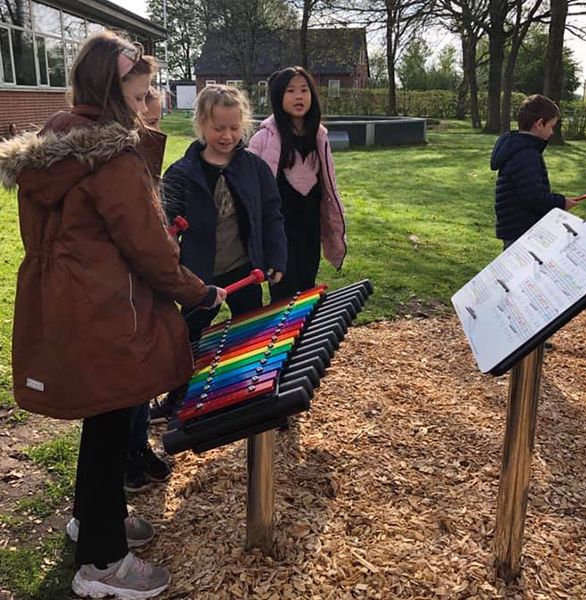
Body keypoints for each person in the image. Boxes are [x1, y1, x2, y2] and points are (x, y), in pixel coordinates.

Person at [0, 31, 226, 599]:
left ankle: (91, 516)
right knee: (109, 420)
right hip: (108, 307)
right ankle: (103, 563)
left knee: (101, 419)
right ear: (113, 86)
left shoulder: (59, 136)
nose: (147, 98)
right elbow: (148, 246)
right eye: (140, 88)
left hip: (66, 300)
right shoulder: (110, 154)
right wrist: (198, 292)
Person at [149, 84, 287, 423]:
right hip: (199, 275)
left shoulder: (254, 168)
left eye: (234, 127)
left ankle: (258, 392)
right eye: (218, 128)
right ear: (200, 125)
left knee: (253, 334)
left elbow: (271, 214)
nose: (227, 135)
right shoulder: (182, 173)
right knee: (190, 336)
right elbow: (165, 225)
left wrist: (276, 258)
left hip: (244, 269)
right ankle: (180, 393)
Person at [248, 66, 347, 302]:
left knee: (306, 291)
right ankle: (281, 338)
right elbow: (250, 187)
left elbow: (329, 185)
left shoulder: (319, 138)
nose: (299, 96)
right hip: (278, 232)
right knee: (283, 295)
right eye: (291, 91)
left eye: (304, 90)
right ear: (278, 96)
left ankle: (304, 338)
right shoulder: (263, 139)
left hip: (310, 228)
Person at [125, 86, 172, 492]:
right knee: (126, 381)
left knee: (144, 374)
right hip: (123, 290)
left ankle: (138, 444)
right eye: (143, 118)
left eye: (155, 120)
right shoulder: (119, 162)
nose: (149, 127)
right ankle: (126, 454)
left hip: (145, 286)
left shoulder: (146, 157)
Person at [491, 93, 577, 249]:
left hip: (516, 229)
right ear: (539, 124)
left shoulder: (518, 148)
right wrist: (561, 202)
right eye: (551, 126)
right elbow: (533, 198)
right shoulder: (527, 154)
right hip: (522, 232)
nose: (552, 133)